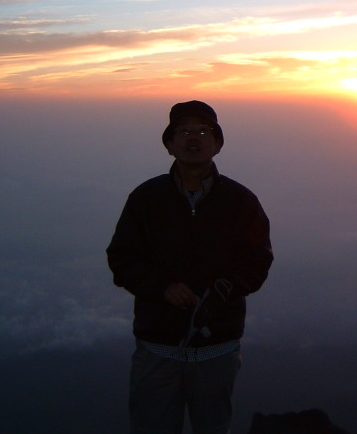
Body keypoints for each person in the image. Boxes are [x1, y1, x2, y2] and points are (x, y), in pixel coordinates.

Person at [107, 100, 273, 434]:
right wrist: (162, 287)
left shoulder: (241, 202)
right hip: (158, 347)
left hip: (218, 348)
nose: (192, 138)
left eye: (202, 131)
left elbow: (258, 259)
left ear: (218, 143)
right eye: (183, 131)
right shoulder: (146, 199)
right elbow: (122, 257)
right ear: (169, 144)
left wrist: (225, 288)